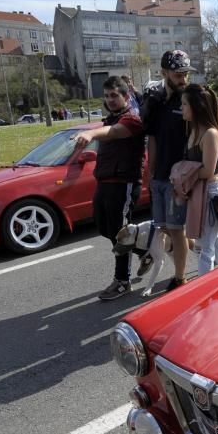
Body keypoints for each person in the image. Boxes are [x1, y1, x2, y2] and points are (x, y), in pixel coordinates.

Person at [72, 76, 144, 301]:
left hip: (123, 184)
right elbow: (110, 137)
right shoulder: (110, 119)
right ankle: (145, 250)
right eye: (106, 96)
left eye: (114, 95)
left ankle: (122, 281)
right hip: (104, 182)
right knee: (105, 228)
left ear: (126, 96)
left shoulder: (132, 120)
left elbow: (113, 133)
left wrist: (90, 134)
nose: (110, 99)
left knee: (120, 233)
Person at [142, 49, 195, 291]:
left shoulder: (190, 100)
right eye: (177, 73)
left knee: (176, 229)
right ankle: (198, 247)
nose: (183, 78)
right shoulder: (155, 100)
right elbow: (152, 137)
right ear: (164, 73)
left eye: (185, 73)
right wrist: (151, 172)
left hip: (179, 177)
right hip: (159, 176)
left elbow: (203, 131)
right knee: (164, 226)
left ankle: (180, 276)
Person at [181, 84, 218, 276]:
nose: (182, 108)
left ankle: (205, 294)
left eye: (185, 104)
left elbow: (208, 171)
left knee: (204, 248)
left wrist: (182, 174)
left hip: (211, 194)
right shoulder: (193, 131)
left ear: (197, 106)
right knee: (214, 242)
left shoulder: (210, 134)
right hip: (198, 193)